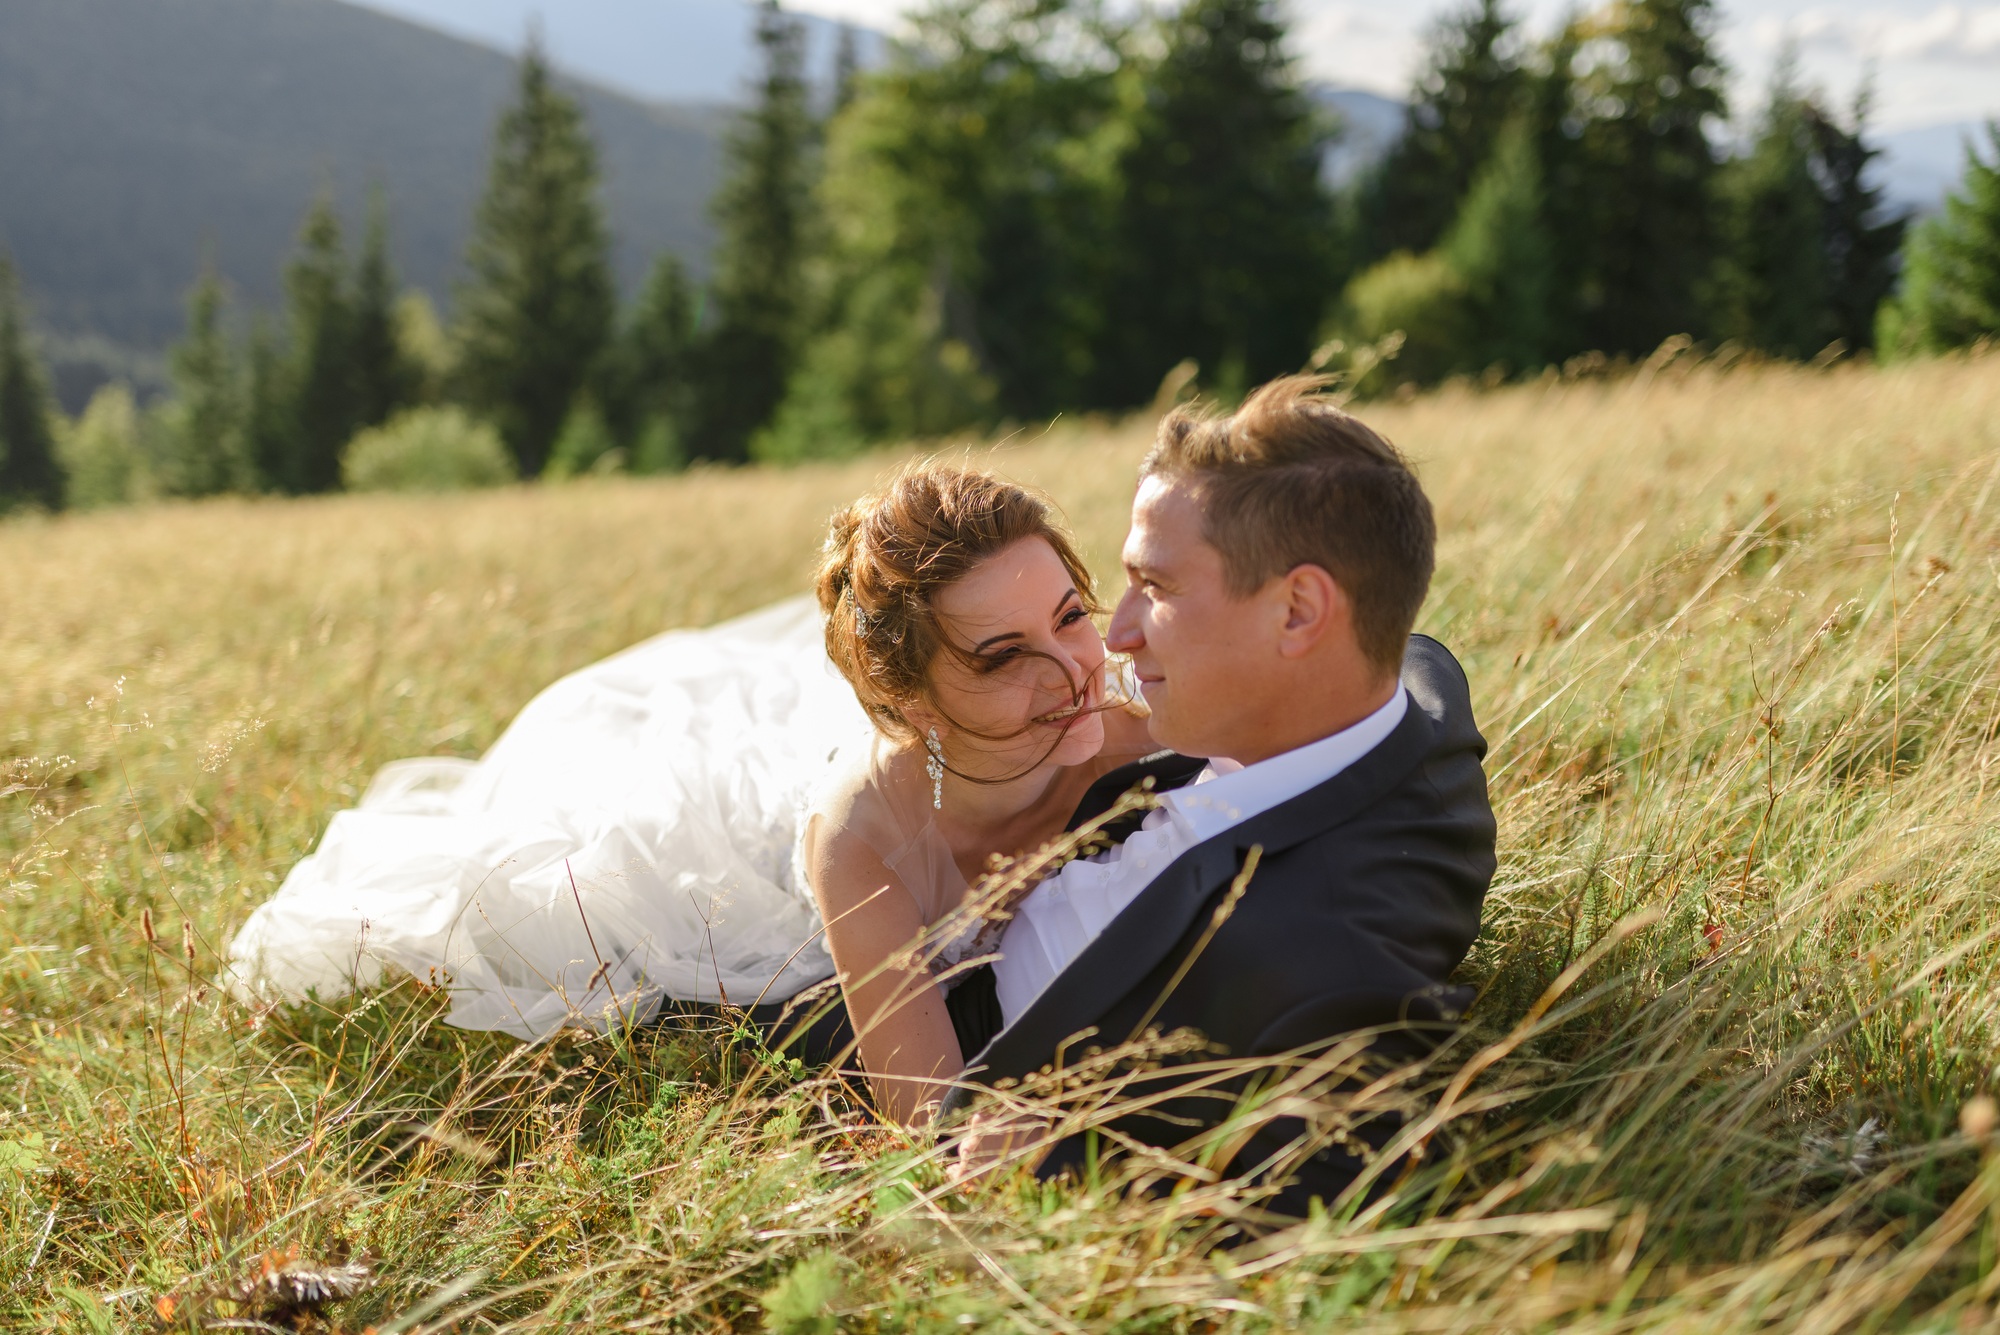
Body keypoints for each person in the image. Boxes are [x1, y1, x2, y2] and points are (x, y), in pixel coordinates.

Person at [223, 463, 1157, 1120]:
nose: (1073, 670)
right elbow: (928, 1115)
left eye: (1070, 614)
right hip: (719, 870)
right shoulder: (861, 840)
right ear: (907, 702)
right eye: (1001, 656)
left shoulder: (1137, 730)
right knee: (534, 914)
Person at [941, 376, 1497, 1214]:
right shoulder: (1406, 693)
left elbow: (1331, 1196)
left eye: (1155, 588)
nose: (1114, 632)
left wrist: (1057, 1159)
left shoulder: (1311, 949)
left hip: (950, 1029)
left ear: (1299, 611)